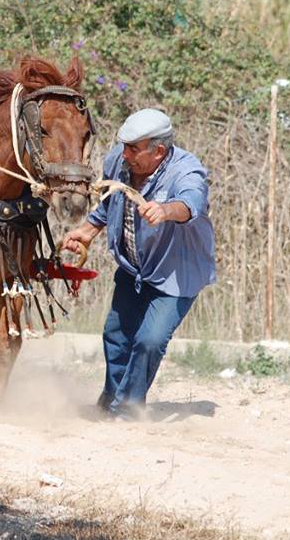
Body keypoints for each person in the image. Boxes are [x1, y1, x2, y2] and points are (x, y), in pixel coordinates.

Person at [62, 108, 215, 420]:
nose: (125, 154)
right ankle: (111, 401)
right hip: (134, 268)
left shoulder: (186, 170)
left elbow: (191, 203)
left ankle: (129, 409)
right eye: (124, 146)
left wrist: (166, 210)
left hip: (176, 274)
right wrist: (88, 231)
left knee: (149, 340)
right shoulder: (118, 162)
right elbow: (110, 202)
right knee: (115, 335)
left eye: (133, 148)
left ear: (158, 151)